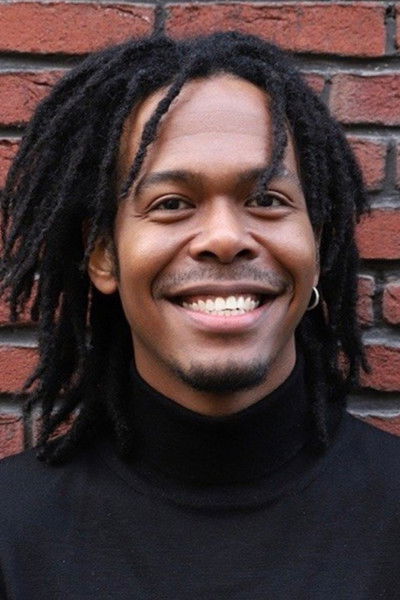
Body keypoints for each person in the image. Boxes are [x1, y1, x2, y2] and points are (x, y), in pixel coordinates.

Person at [0, 31, 399, 600]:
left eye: (266, 199)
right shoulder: (12, 533)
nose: (224, 238)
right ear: (103, 254)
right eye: (171, 204)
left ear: (317, 244)